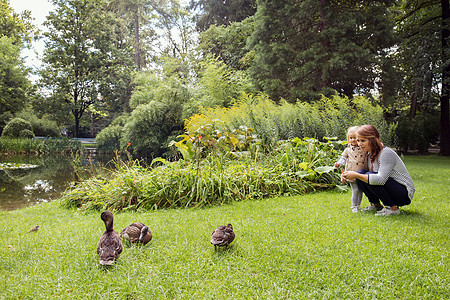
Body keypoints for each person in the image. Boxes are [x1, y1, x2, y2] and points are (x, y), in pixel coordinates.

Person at [342, 124, 415, 216]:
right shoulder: (369, 154)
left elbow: (381, 179)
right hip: (391, 188)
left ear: (372, 140)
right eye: (358, 140)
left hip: (403, 194)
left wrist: (356, 175)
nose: (359, 144)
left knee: (367, 176)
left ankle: (392, 209)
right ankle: (376, 205)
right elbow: (360, 172)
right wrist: (347, 174)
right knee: (361, 173)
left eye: (363, 141)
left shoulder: (386, 153)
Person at [335, 126, 368, 212]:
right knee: (355, 190)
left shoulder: (363, 148)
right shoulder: (347, 150)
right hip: (351, 172)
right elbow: (343, 159)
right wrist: (339, 163)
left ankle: (358, 205)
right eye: (351, 138)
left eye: (355, 138)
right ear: (348, 139)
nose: (353, 140)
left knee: (360, 190)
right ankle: (354, 206)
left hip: (362, 173)